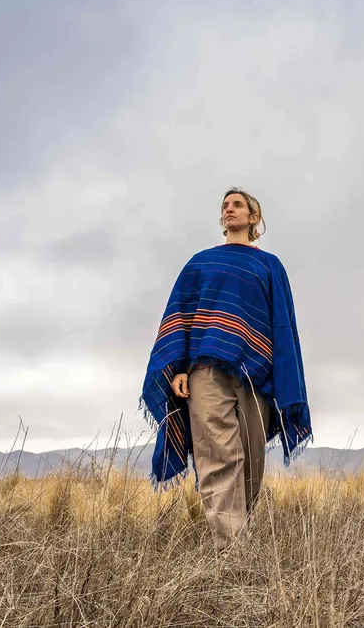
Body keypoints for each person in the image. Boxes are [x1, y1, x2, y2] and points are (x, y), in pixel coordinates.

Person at [140, 187, 312, 547]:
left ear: (254, 217)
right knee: (218, 455)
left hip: (256, 374)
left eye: (238, 205)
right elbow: (181, 314)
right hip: (204, 370)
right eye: (225, 206)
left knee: (250, 459)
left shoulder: (270, 266)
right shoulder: (201, 263)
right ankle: (230, 549)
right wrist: (180, 368)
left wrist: (283, 378)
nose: (229, 209)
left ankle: (237, 535)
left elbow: (282, 325)